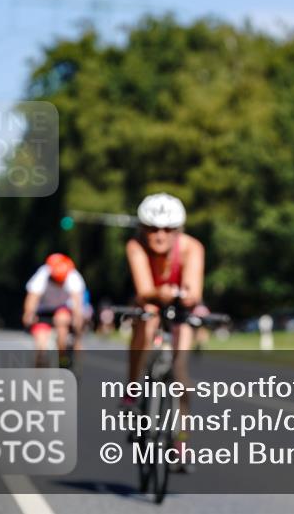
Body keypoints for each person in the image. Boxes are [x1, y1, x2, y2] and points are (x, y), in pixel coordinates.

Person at [124, 192, 205, 469]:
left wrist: (183, 297)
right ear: (142, 229)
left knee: (181, 377)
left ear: (178, 230)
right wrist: (162, 293)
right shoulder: (135, 246)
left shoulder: (192, 248)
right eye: (152, 229)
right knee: (146, 320)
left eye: (168, 230)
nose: (160, 236)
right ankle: (133, 388)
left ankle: (181, 441)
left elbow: (194, 292)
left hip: (180, 306)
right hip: (151, 302)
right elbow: (144, 290)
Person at [22, 253, 84, 368]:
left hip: (63, 309)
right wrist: (29, 313)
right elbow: (32, 296)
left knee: (62, 320)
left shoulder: (73, 276)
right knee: (41, 346)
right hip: (44, 311)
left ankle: (63, 357)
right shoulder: (43, 274)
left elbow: (77, 302)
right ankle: (40, 371)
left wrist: (77, 320)